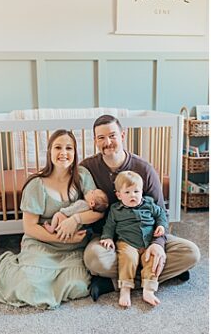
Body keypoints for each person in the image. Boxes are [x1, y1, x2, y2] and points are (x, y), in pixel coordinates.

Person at [80, 115, 200, 300]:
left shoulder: (144, 169)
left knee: (191, 253)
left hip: (147, 235)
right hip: (111, 240)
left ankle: (113, 283)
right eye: (101, 137)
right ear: (95, 140)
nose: (108, 142)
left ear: (122, 135)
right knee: (93, 259)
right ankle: (158, 274)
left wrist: (158, 244)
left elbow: (161, 212)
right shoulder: (87, 167)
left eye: (112, 135)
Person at [0, 130, 101, 309]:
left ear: (75, 153)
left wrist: (75, 219)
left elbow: (98, 210)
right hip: (42, 244)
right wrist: (61, 237)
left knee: (78, 287)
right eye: (58, 147)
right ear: (49, 151)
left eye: (69, 148)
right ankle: (3, 263)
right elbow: (30, 227)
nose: (63, 153)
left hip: (73, 248)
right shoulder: (37, 184)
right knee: (30, 288)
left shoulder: (82, 176)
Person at [98, 170, 168, 307]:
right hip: (127, 242)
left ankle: (148, 289)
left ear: (142, 192)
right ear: (118, 195)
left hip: (148, 243)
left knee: (153, 260)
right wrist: (107, 237)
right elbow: (109, 226)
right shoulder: (115, 210)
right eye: (127, 192)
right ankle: (125, 288)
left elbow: (161, 215)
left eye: (136, 192)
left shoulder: (148, 204)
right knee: (128, 258)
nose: (133, 196)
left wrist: (161, 226)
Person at [43, 189, 108, 234]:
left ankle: (51, 228)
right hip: (77, 229)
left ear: (92, 203)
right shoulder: (90, 211)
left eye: (92, 192)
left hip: (67, 223)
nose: (90, 190)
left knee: (58, 214)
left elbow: (71, 210)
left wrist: (62, 210)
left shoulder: (81, 204)